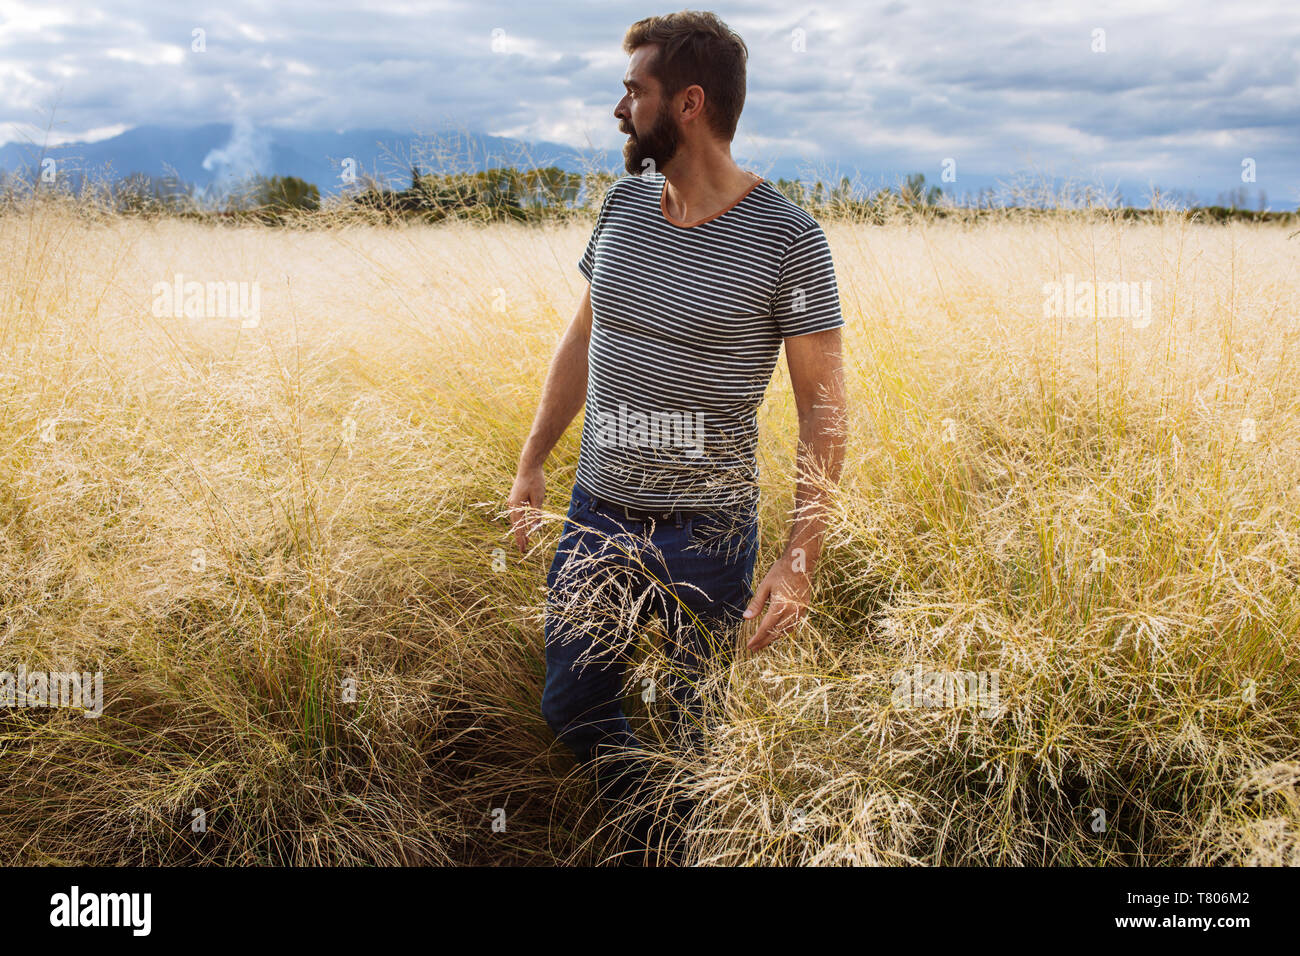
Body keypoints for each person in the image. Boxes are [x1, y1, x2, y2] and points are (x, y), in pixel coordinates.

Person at [507, 10, 847, 864]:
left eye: (635, 92)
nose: (619, 110)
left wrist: (800, 558)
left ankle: (674, 845)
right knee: (571, 705)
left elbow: (824, 415)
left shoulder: (790, 240)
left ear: (688, 104)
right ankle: (656, 828)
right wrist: (532, 463)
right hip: (597, 518)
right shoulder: (623, 204)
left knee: (701, 734)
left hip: (711, 536)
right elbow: (583, 339)